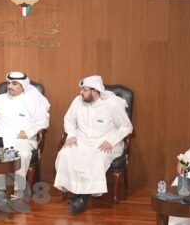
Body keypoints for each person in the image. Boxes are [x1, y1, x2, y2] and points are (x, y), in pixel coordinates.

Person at [54, 75, 133, 214]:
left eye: (84, 90)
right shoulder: (78, 101)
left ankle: (83, 199)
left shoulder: (112, 104)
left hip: (106, 142)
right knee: (65, 153)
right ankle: (76, 192)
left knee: (96, 158)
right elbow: (69, 120)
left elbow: (127, 127)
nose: (81, 93)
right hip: (82, 139)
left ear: (95, 91)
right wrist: (71, 135)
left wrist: (111, 140)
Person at [0, 71, 50, 195]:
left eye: (14, 84)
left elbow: (43, 122)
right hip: (1, 137)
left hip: (24, 139)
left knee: (21, 154)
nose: (10, 86)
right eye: (8, 83)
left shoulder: (34, 101)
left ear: (23, 86)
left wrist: (28, 132)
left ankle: (16, 191)